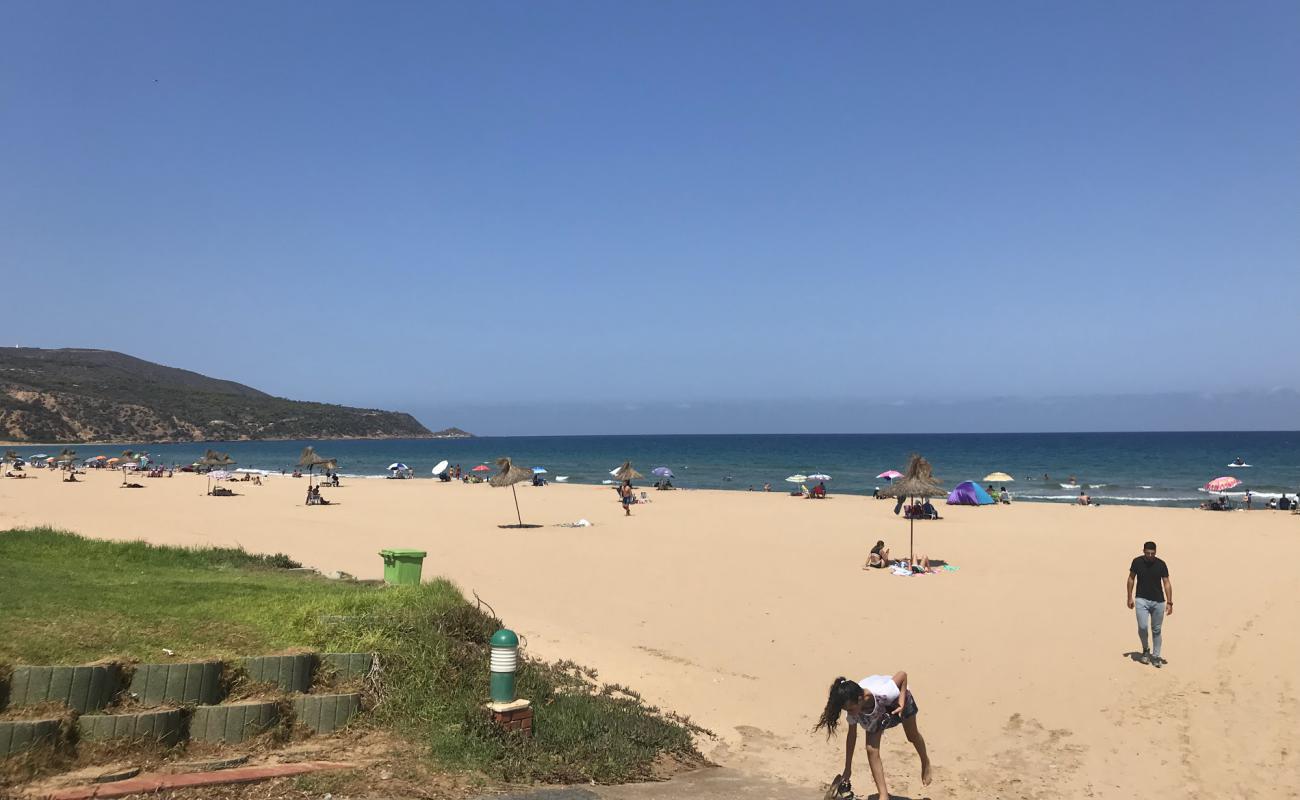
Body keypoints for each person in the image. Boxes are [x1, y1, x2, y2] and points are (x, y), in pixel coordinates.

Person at [814, 673, 932, 800]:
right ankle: (883, 795)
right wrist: (847, 769)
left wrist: (901, 703)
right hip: (873, 712)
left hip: (897, 701)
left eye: (850, 709)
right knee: (871, 749)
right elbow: (851, 736)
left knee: (912, 736)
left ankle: (925, 761)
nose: (849, 713)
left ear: (860, 698)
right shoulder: (854, 707)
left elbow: (902, 676)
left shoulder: (884, 692)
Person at [1127, 541, 1173, 667]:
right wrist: (1129, 597)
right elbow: (1131, 579)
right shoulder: (1137, 562)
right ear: (1143, 551)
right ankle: (1146, 650)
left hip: (1158, 601)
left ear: (1156, 552)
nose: (1150, 556)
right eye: (1148, 553)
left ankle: (1156, 656)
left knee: (1156, 629)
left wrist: (1169, 602)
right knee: (1142, 627)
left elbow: (1167, 583)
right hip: (1141, 599)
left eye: (1153, 553)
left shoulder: (1161, 564)